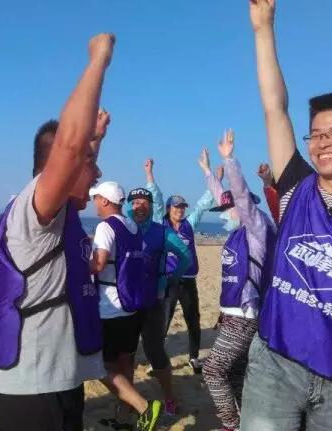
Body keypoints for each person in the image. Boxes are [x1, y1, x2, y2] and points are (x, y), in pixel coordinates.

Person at [0, 34, 160, 431]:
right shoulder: (35, 211)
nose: (97, 173)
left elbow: (76, 157)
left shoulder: (61, 214)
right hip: (31, 386)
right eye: (90, 162)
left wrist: (95, 139)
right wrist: (99, 60)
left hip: (60, 378)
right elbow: (68, 148)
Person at [241, 1, 332, 429]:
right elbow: (274, 108)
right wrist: (263, 29)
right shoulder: (297, 187)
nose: (322, 142)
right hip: (274, 366)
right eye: (315, 134)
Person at [201, 130, 275, 431]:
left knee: (213, 369)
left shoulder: (256, 228)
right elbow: (227, 198)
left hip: (244, 315)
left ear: (243, 210)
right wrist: (208, 173)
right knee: (234, 372)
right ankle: (248, 420)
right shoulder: (237, 230)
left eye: (225, 211)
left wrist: (230, 160)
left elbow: (239, 197)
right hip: (233, 313)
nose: (222, 215)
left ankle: (231, 424)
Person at [89, 181, 159, 429]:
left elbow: (98, 264)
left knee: (98, 366)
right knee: (125, 362)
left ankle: (143, 407)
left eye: (96, 198)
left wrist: (74, 264)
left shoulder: (105, 227)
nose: (94, 203)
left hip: (109, 308)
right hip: (131, 305)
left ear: (105, 201)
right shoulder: (132, 226)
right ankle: (123, 417)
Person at [126, 186, 192, 417]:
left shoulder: (162, 232)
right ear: (129, 206)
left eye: (145, 203)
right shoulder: (123, 228)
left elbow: (185, 256)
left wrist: (171, 278)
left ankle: (169, 398)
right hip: (126, 302)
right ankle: (128, 401)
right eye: (135, 202)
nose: (140, 206)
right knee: (127, 353)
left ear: (152, 207)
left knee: (154, 350)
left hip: (153, 301)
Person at [147, 157, 217, 373]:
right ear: (169, 208)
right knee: (163, 322)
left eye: (182, 207)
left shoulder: (190, 224)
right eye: (177, 207)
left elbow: (203, 205)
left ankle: (194, 358)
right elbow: (156, 199)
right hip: (168, 282)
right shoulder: (161, 223)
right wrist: (150, 173)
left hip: (188, 282)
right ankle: (157, 359)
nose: (180, 210)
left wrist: (214, 179)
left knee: (193, 320)